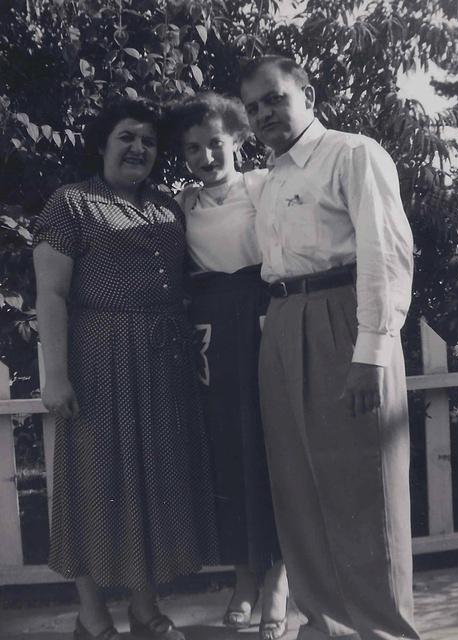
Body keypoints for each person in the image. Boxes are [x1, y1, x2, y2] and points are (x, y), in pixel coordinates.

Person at [239, 56, 420, 640]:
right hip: (284, 319)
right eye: (253, 107)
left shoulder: (351, 154)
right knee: (298, 488)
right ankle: (325, 626)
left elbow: (385, 254)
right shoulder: (271, 177)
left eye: (274, 98)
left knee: (360, 487)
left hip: (345, 319)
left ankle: (383, 632)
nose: (264, 113)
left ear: (306, 94)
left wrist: (369, 352)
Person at [33, 97, 219, 640]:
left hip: (163, 361)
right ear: (101, 144)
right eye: (125, 137)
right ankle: (92, 614)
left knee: (152, 482)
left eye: (148, 141)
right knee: (94, 479)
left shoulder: (167, 208)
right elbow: (50, 294)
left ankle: (144, 606)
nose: (138, 148)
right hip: (98, 355)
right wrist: (56, 374)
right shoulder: (71, 203)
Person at [167, 92, 288, 640]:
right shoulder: (180, 202)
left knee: (276, 447)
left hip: (265, 313)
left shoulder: (266, 184)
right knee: (230, 453)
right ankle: (243, 578)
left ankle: (279, 581)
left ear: (237, 138)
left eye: (214, 142)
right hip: (212, 330)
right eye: (193, 148)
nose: (205, 156)